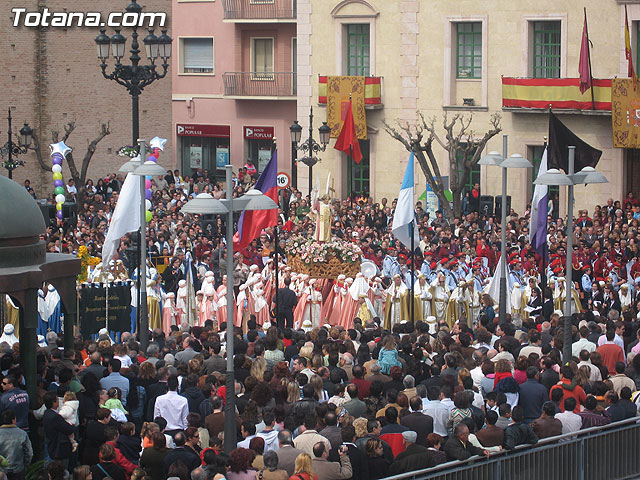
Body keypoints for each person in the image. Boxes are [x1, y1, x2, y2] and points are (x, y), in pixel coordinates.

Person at [42, 391, 74, 469]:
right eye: (57, 400)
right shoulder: (55, 417)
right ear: (54, 402)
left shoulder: (47, 413)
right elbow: (69, 429)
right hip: (59, 448)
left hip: (53, 445)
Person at [0, 409, 32, 479]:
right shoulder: (22, 434)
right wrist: (25, 466)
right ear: (13, 420)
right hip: (18, 470)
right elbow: (29, 453)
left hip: (2, 472)